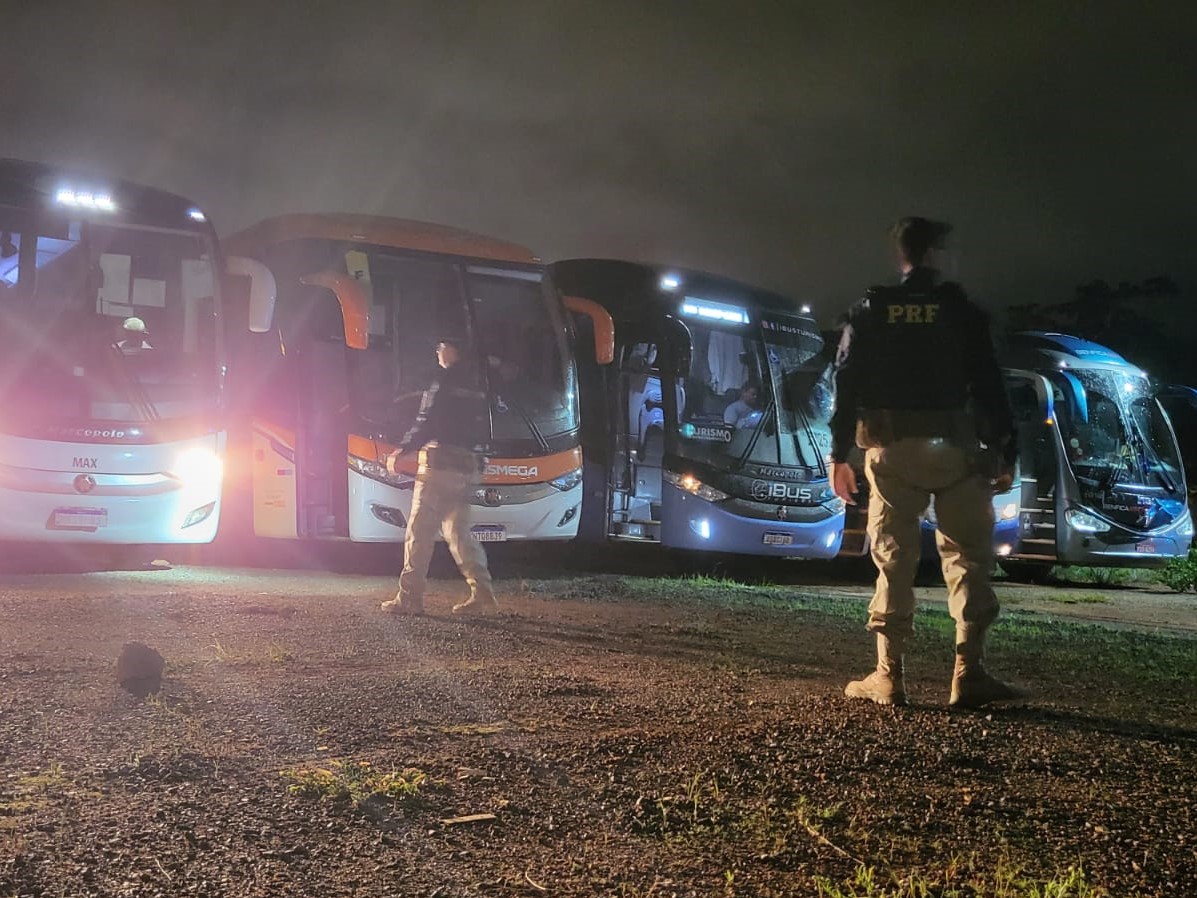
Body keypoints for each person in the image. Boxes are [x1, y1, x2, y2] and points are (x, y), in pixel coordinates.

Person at [830, 216, 1028, 709]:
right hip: (959, 448)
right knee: (967, 559)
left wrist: (839, 455)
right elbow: (990, 384)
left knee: (894, 558)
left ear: (901, 256)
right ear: (936, 255)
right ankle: (968, 673)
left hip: (892, 450)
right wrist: (1007, 450)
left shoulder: (871, 308)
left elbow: (845, 382)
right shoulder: (962, 311)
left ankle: (888, 676)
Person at [380, 338, 497, 616]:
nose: (438, 353)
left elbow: (427, 419)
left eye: (441, 347)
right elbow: (486, 428)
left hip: (439, 465)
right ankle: (483, 596)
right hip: (467, 468)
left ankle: (409, 598)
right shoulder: (479, 386)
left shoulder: (443, 381)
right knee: (459, 534)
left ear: (452, 350)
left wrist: (402, 451)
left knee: (419, 532)